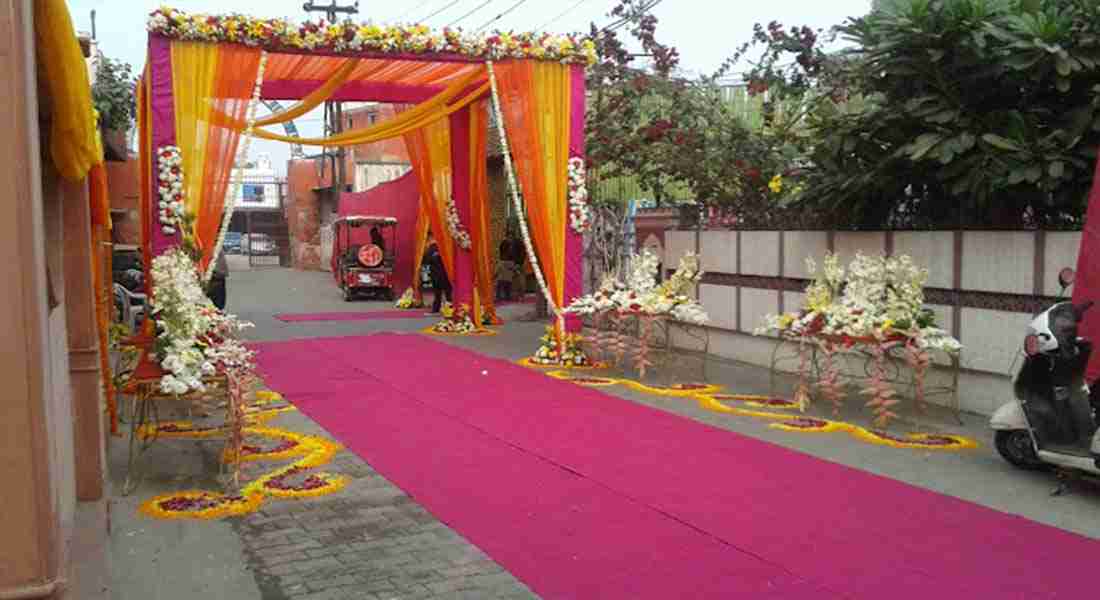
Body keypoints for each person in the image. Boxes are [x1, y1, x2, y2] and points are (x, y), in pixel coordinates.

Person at [423, 234, 452, 313]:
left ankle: (436, 309)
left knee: (437, 293)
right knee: (448, 292)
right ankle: (450, 307)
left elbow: (426, 260)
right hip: (445, 272)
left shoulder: (431, 248)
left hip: (435, 273)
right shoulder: (445, 246)